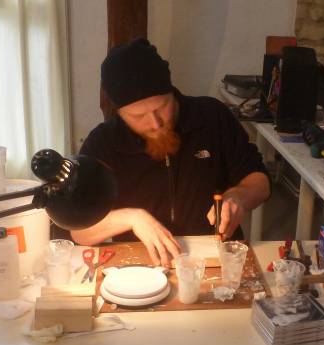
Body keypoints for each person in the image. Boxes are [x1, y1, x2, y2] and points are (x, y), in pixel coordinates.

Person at [71, 38, 270, 266]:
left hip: (213, 256)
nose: (155, 123)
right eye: (138, 116)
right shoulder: (105, 141)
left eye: (161, 107)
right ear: (120, 113)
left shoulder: (212, 116)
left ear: (172, 93)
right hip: (141, 265)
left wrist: (238, 197)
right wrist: (131, 218)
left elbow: (260, 182)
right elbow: (79, 230)